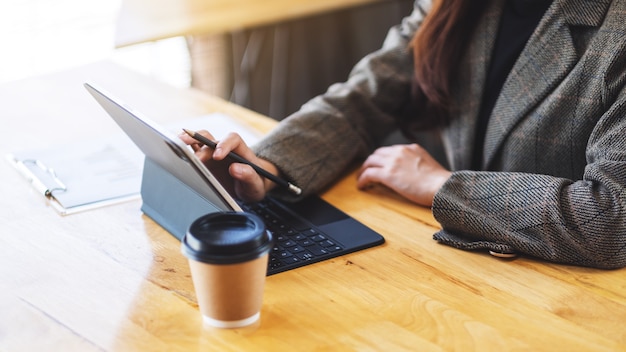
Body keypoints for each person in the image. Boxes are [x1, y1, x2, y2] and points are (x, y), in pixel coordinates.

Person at [180, 0, 626, 269]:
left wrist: (440, 185)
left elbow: (612, 217)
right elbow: (364, 97)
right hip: (460, 273)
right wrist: (267, 166)